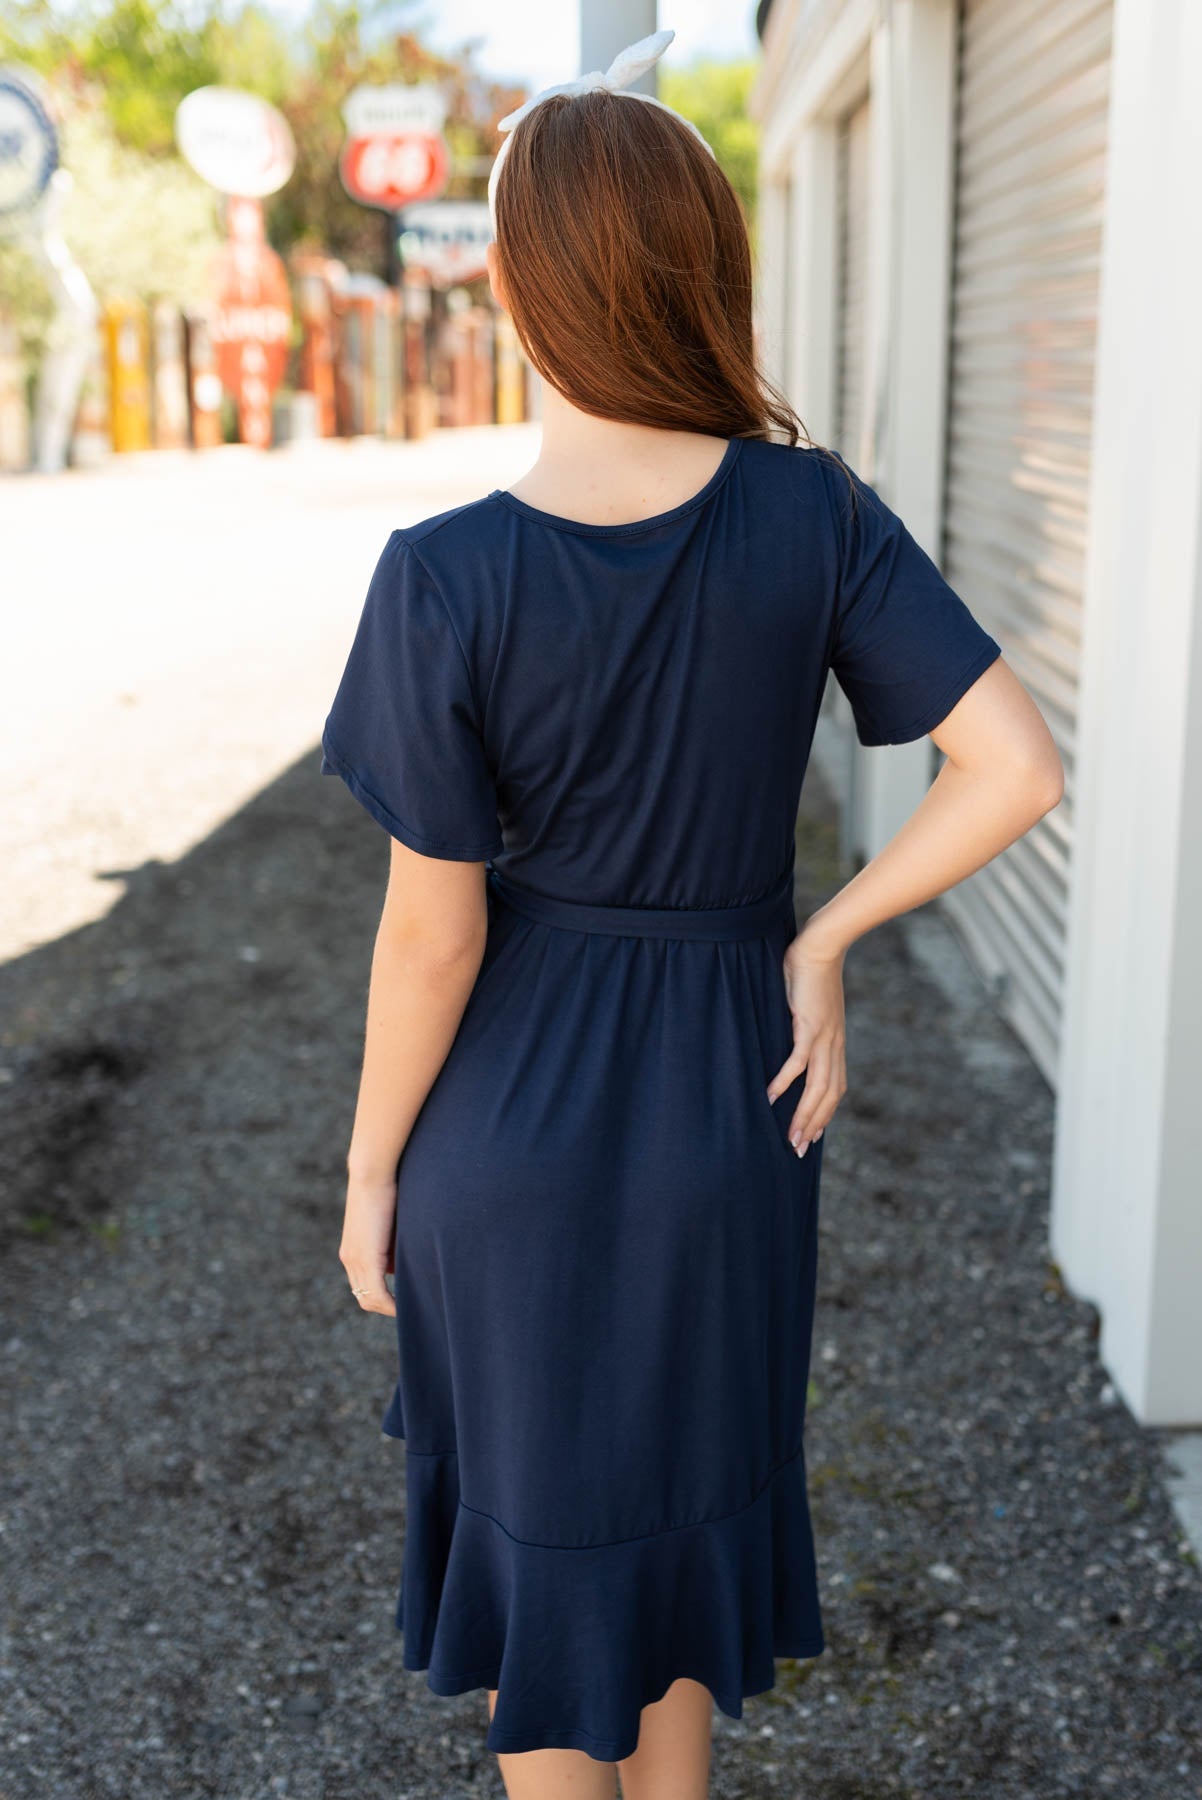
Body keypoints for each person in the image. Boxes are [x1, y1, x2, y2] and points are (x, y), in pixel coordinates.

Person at [319, 29, 1063, 1800]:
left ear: (509, 284)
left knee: (552, 1585)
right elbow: (1014, 767)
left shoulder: (445, 574)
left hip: (508, 1126)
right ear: (704, 277)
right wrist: (817, 941)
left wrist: (367, 1175)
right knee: (659, 1560)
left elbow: (433, 933)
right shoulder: (809, 516)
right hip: (732, 1104)